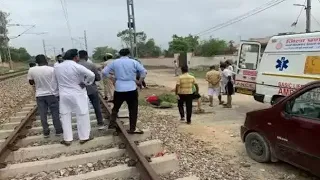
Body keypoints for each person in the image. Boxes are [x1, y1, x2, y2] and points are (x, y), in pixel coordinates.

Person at [54, 49, 95, 146]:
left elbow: (55, 80)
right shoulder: (77, 66)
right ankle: (84, 137)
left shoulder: (57, 67)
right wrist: (86, 83)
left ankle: (67, 139)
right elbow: (91, 75)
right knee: (82, 114)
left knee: (65, 116)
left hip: (64, 94)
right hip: (78, 93)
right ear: (75, 57)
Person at [102, 48, 146, 134]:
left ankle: (111, 125)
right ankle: (132, 128)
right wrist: (139, 82)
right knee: (133, 109)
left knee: (116, 108)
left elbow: (104, 72)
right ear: (129, 54)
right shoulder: (134, 62)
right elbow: (144, 72)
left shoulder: (115, 62)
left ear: (119, 54)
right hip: (131, 88)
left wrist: (112, 78)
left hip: (119, 88)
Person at [27, 55, 63, 138]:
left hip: (39, 95)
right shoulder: (52, 69)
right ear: (46, 60)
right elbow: (57, 81)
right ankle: (58, 130)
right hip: (52, 94)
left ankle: (46, 132)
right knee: (55, 113)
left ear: (36, 61)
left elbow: (31, 82)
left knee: (43, 114)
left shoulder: (31, 70)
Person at [78, 50, 104, 129]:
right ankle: (100, 123)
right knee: (96, 107)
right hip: (91, 89)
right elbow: (98, 78)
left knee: (81, 108)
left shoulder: (75, 66)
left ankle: (84, 126)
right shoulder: (91, 65)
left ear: (79, 56)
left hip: (80, 90)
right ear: (86, 56)